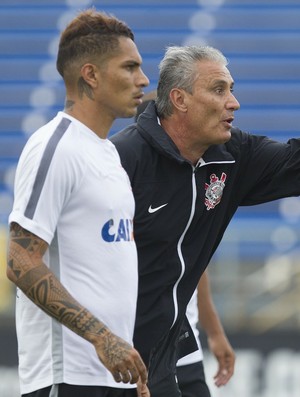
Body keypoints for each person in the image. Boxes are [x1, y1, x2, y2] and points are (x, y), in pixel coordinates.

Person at [110, 44, 300, 396]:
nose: (233, 103)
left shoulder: (231, 156)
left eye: (232, 90)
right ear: (179, 99)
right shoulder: (122, 160)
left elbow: (185, 256)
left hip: (164, 360)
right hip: (105, 362)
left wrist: (211, 329)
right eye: (218, 90)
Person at [6, 8, 150, 397]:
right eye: (130, 67)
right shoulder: (56, 147)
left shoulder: (107, 154)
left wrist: (125, 356)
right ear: (90, 74)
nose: (143, 79)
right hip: (67, 375)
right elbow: (20, 261)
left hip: (112, 374)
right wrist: (102, 338)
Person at [133, 93, 235, 397]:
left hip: (183, 336)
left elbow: (191, 262)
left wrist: (214, 332)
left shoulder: (190, 178)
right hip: (144, 338)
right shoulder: (130, 173)